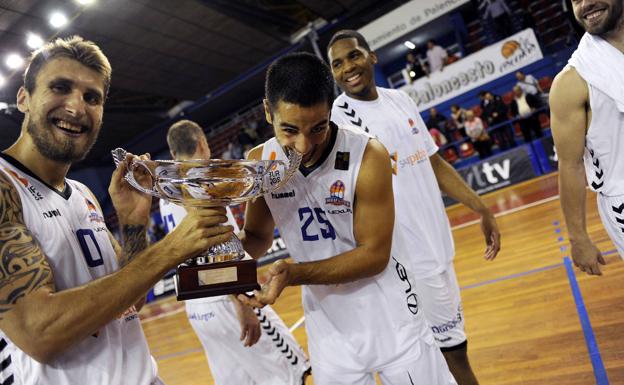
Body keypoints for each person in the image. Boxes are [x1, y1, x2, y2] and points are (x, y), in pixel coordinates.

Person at [0, 36, 232, 384]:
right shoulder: (6, 187)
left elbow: (130, 301)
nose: (77, 107)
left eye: (92, 97)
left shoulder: (82, 194)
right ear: (24, 98)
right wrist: (171, 249)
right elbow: (38, 333)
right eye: (60, 87)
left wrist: (132, 223)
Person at [238, 52, 457, 385]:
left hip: (391, 314)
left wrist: (292, 274)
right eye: (289, 129)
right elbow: (255, 236)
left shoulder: (368, 155)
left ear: (330, 110)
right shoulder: (260, 161)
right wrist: (218, 262)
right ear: (268, 111)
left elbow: (374, 256)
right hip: (328, 328)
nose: (303, 145)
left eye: (318, 128)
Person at [327, 30, 501, 385]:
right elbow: (341, 191)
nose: (348, 67)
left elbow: (434, 163)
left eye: (354, 56)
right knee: (447, 357)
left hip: (437, 246)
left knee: (451, 352)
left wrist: (480, 208)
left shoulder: (400, 100)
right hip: (404, 260)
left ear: (372, 56)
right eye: (338, 63)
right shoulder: (341, 116)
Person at [159, 119, 310, 385]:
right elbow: (222, 249)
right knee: (288, 373)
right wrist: (242, 302)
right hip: (226, 296)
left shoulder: (166, 193)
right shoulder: (206, 181)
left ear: (173, 154)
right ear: (203, 143)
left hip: (197, 307)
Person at [550, 0, 624, 276]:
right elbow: (570, 165)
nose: (585, 5)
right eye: (576, 0)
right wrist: (578, 238)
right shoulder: (572, 81)